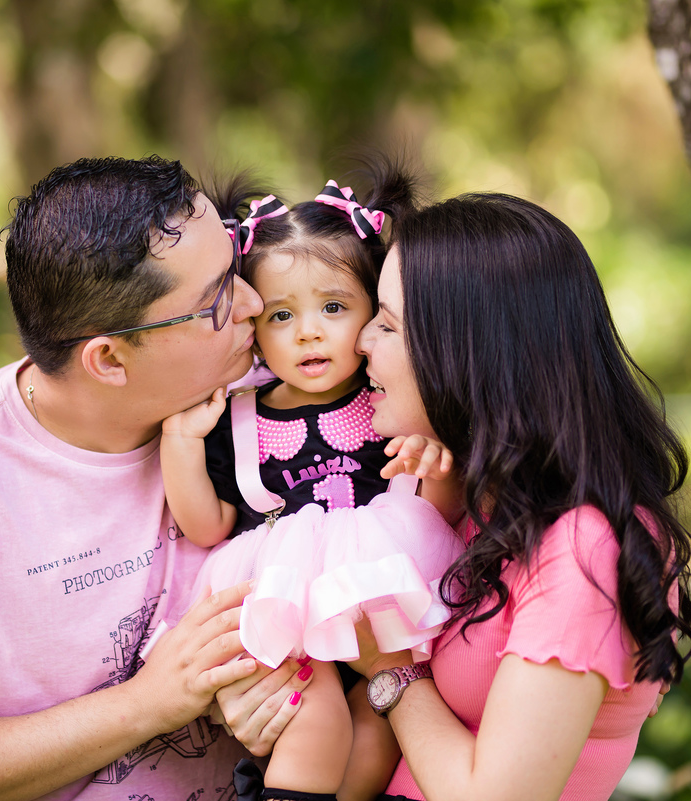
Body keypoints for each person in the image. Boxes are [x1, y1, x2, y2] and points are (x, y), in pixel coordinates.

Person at [0, 155, 312, 801]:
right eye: (220, 298)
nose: (256, 305)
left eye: (236, 265)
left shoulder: (285, 399)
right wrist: (149, 702)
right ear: (109, 359)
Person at [350, 192, 691, 801]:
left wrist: (391, 672)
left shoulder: (583, 546)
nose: (360, 341)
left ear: (467, 351)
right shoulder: (483, 499)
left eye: (387, 322)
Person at [158, 166, 464, 801]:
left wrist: (432, 460)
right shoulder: (239, 417)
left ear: (373, 312)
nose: (308, 332)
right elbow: (209, 525)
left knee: (378, 731)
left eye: (334, 308)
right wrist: (181, 445)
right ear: (251, 323)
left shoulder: (391, 404)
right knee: (311, 713)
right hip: (287, 598)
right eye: (280, 315)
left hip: (377, 601)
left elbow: (433, 521)